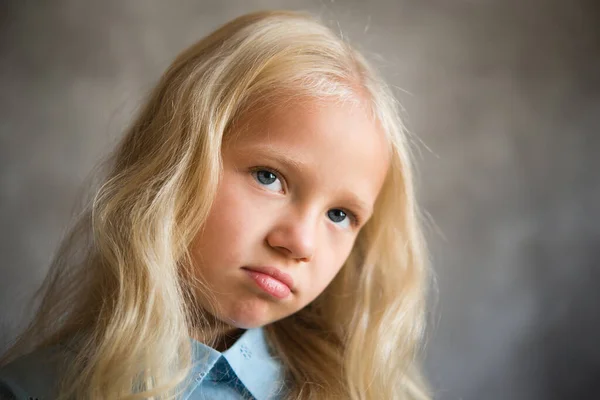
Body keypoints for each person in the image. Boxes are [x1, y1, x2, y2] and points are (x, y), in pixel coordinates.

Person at [0, 10, 430, 400]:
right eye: (269, 178)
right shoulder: (31, 389)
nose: (300, 242)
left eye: (339, 215)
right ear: (173, 162)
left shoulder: (359, 392)